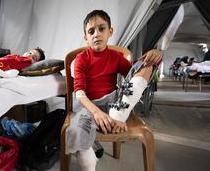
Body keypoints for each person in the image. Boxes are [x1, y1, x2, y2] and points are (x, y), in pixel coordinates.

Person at [65, 10, 162, 171]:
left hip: (114, 103)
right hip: (88, 107)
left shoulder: (116, 56)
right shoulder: (82, 58)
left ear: (110, 31)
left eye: (101, 29)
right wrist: (96, 112)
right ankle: (89, 165)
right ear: (86, 37)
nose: (96, 34)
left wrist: (156, 55)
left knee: (146, 63)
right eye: (91, 31)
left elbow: (134, 75)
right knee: (77, 132)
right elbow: (80, 93)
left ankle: (120, 115)